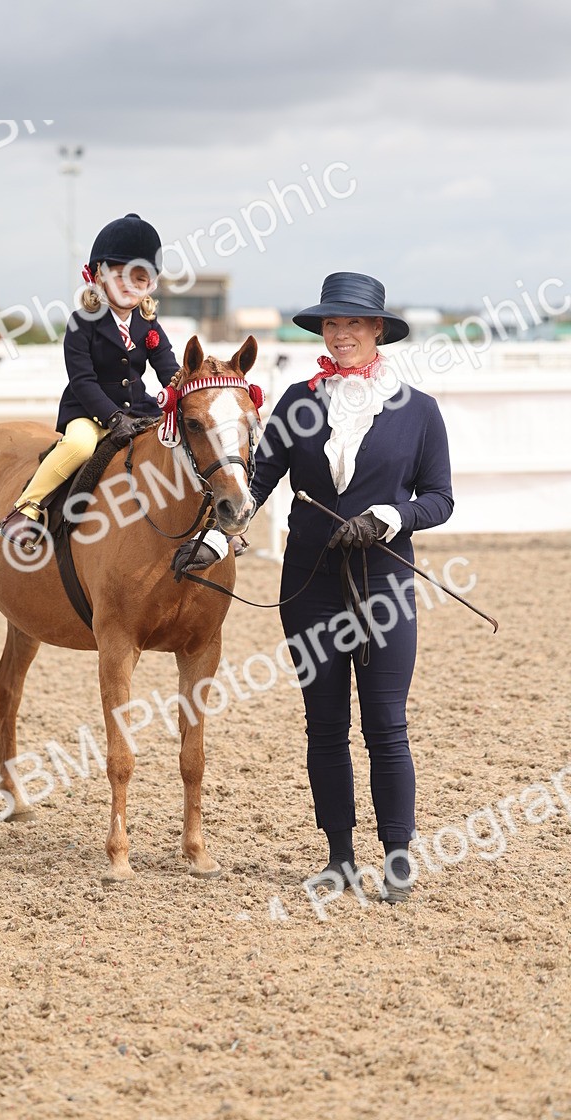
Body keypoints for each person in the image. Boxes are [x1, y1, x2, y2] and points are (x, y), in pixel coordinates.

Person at [249, 272, 454, 904]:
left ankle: (397, 857)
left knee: (386, 725)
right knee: (324, 725)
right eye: (331, 324)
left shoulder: (418, 410)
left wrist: (392, 518)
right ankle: (339, 855)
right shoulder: (296, 402)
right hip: (309, 583)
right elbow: (256, 482)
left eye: (353, 324)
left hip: (386, 583)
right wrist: (218, 534)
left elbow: (440, 499)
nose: (341, 334)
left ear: (376, 331)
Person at [0, 213, 180, 548]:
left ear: (150, 285)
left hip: (140, 411)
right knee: (79, 445)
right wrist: (112, 417)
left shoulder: (149, 325)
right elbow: (82, 379)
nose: (129, 284)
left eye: (139, 278)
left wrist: (184, 394)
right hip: (90, 411)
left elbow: (169, 369)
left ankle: (210, 523)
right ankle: (27, 508)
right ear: (98, 275)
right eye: (120, 275)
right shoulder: (83, 322)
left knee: (180, 442)